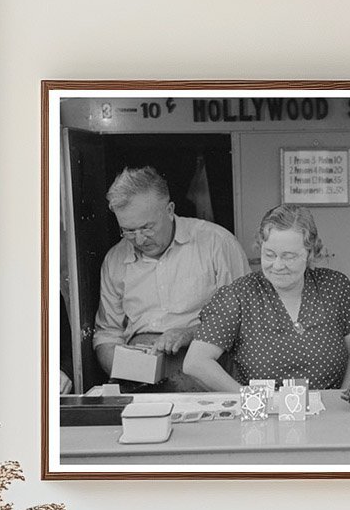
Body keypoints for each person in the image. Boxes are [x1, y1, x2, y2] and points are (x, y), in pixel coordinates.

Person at [184, 204, 350, 390]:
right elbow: (196, 362)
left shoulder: (334, 287)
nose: (277, 266)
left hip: (327, 407)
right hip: (261, 408)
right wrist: (249, 399)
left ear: (310, 253)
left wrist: (340, 398)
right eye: (269, 255)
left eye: (289, 256)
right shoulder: (239, 296)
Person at [92, 166, 250, 389]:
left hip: (206, 366)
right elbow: (108, 334)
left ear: (169, 210)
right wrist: (124, 370)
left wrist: (189, 334)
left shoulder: (217, 243)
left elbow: (246, 318)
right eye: (128, 231)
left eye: (147, 227)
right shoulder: (115, 259)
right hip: (139, 374)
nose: (139, 239)